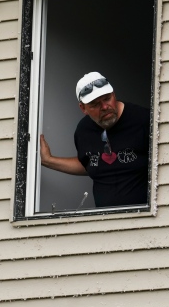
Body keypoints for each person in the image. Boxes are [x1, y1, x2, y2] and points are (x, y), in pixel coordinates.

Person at [39, 72, 150, 208]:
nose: (104, 107)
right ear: (83, 108)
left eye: (107, 99)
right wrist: (48, 160)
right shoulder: (83, 131)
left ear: (114, 94)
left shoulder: (144, 120)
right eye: (95, 104)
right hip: (103, 221)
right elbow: (92, 164)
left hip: (146, 220)